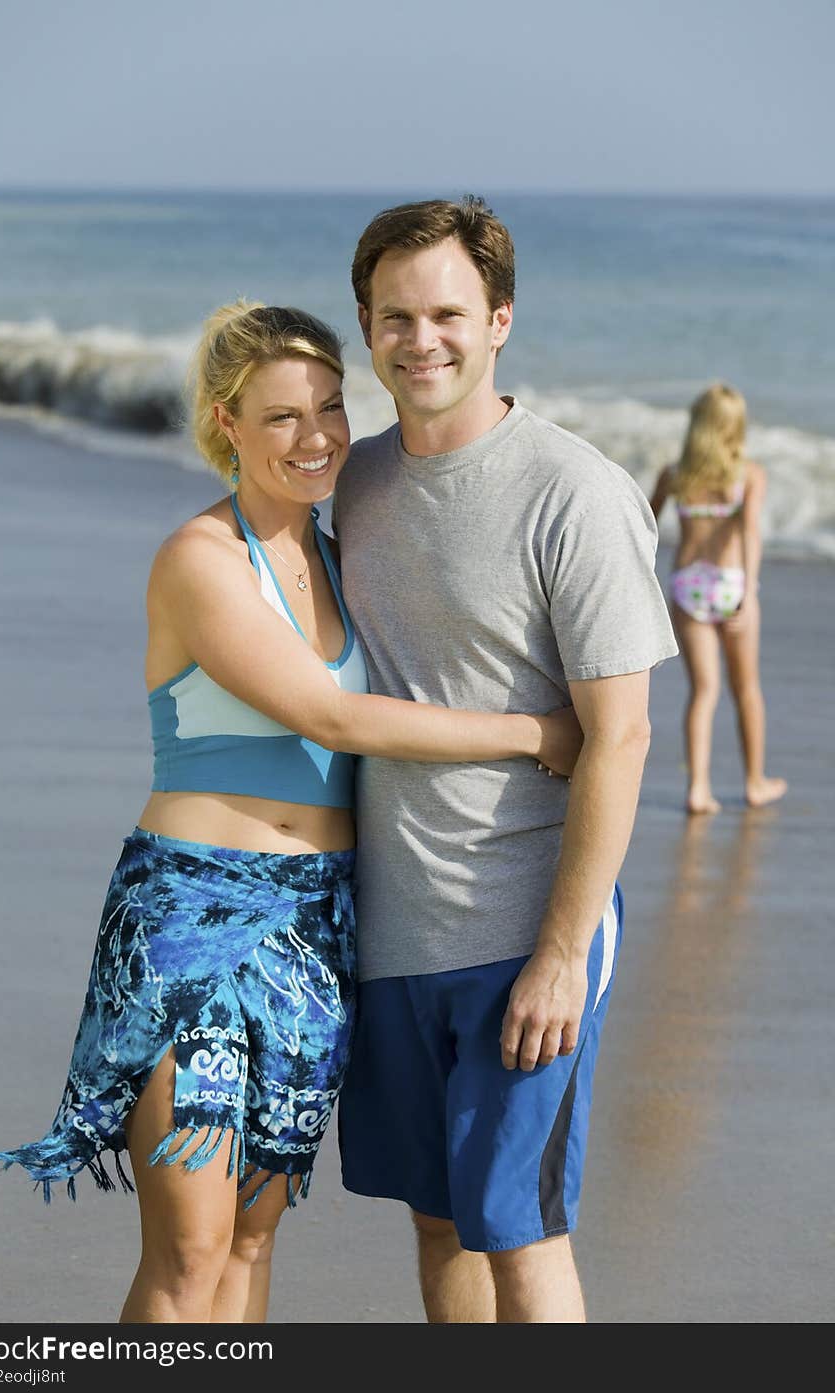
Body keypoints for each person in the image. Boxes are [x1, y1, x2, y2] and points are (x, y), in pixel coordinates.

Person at [0, 300, 584, 1324]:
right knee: (192, 1250)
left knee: (254, 1241)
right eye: (281, 418)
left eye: (329, 409)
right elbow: (330, 712)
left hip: (316, 923)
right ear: (226, 424)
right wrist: (534, 733)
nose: (316, 439)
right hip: (192, 922)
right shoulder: (200, 560)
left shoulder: (341, 554)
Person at [333, 197, 679, 1324]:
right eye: (395, 316)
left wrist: (561, 954)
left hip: (524, 927)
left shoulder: (573, 492)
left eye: (446, 313)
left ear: (499, 322)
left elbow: (620, 735)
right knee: (438, 1220)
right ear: (368, 326)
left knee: (521, 1230)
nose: (419, 339)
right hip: (394, 928)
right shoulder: (356, 483)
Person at [649, 383, 787, 814]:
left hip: (688, 584)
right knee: (746, 689)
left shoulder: (675, 475)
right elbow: (748, 531)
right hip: (731, 583)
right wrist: (748, 591)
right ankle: (754, 782)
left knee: (703, 691)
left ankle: (699, 789)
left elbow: (643, 523)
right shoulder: (748, 475)